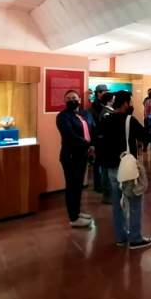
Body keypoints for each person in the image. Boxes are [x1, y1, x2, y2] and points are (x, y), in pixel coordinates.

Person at [101, 90, 151, 249]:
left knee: (117, 203)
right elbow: (145, 136)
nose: (132, 105)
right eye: (131, 102)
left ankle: (120, 236)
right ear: (125, 103)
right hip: (127, 167)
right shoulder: (129, 120)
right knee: (135, 202)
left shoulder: (107, 119)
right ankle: (135, 238)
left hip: (112, 167)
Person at [56, 90, 95, 227]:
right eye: (68, 98)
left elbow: (93, 129)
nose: (71, 100)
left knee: (78, 186)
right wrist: (88, 145)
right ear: (65, 101)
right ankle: (73, 218)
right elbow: (70, 135)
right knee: (72, 186)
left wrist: (93, 144)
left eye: (74, 97)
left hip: (83, 154)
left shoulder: (85, 114)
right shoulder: (63, 116)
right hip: (71, 155)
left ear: (79, 99)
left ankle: (77, 212)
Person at [90, 84, 109, 192]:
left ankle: (102, 183)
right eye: (104, 92)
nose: (106, 94)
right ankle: (98, 184)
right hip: (99, 136)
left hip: (102, 136)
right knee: (98, 161)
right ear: (98, 93)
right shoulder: (96, 106)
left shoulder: (101, 105)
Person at [97, 92, 115, 204]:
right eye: (113, 100)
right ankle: (107, 195)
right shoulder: (107, 113)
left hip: (107, 144)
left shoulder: (109, 111)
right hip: (107, 145)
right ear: (109, 102)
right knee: (106, 171)